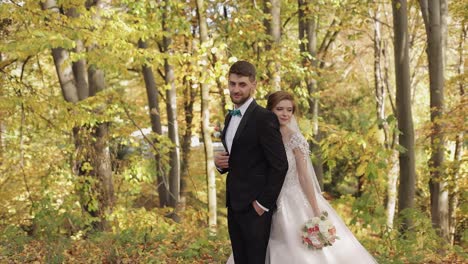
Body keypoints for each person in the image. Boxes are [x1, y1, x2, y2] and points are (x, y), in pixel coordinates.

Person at [227, 91, 377, 263]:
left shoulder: (295, 139)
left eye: (289, 110)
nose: (285, 114)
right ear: (270, 110)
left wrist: (315, 209)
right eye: (279, 109)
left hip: (292, 200)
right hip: (265, 197)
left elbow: (304, 177)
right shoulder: (262, 134)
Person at [215, 61, 289, 264]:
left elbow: (280, 165)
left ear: (253, 85)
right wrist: (219, 164)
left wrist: (263, 204)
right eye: (232, 84)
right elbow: (238, 157)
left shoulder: (264, 118)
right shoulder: (230, 117)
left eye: (242, 84)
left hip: (255, 206)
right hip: (234, 203)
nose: (236, 89)